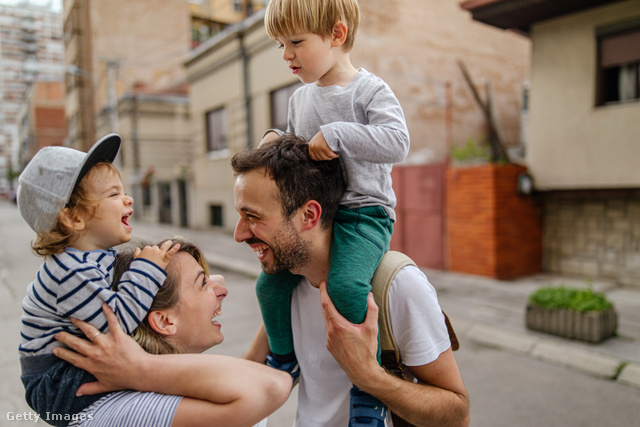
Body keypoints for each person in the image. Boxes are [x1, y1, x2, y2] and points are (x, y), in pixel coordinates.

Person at [234, 135, 469, 427]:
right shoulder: (288, 285)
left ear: (309, 215)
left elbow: (458, 415)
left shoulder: (398, 286)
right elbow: (249, 371)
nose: (239, 233)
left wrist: (370, 378)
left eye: (252, 216)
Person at [256, 1, 410, 422]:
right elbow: (297, 153)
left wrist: (340, 133)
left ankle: (369, 386)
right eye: (279, 45)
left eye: (295, 43)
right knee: (268, 287)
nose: (286, 54)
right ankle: (285, 359)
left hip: (364, 214)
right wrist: (277, 141)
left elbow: (397, 142)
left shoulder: (370, 90)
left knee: (344, 287)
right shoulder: (300, 98)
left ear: (337, 35)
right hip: (315, 219)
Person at [16, 134, 180, 424]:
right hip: (54, 383)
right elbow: (116, 322)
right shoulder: (71, 271)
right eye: (113, 195)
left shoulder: (91, 257)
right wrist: (148, 269)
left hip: (63, 369)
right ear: (75, 218)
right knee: (149, 366)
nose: (128, 198)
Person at [53, 239, 292, 427]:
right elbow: (273, 385)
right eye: (202, 283)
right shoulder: (134, 409)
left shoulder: (160, 387)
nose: (222, 289)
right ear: (165, 321)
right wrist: (139, 367)